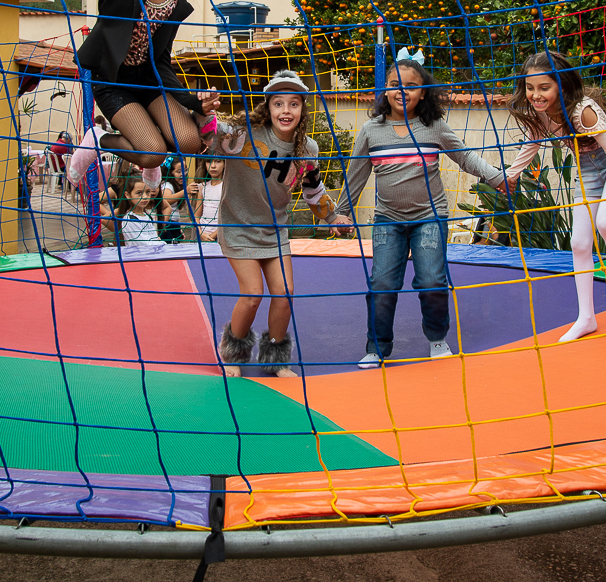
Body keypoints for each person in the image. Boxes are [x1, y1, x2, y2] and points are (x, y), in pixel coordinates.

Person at [331, 54, 507, 369]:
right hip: (388, 220)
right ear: (385, 90)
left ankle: (437, 339)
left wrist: (497, 178)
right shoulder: (372, 130)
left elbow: (465, 157)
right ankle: (377, 347)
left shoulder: (433, 127)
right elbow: (356, 173)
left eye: (411, 86)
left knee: (431, 280)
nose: (402, 92)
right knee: (382, 284)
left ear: (423, 92)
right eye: (395, 85)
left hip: (429, 217)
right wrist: (341, 212)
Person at [59, 0, 220, 190]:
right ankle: (98, 138)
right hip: (112, 81)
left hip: (147, 81)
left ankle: (148, 130)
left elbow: (161, 61)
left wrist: (193, 101)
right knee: (152, 154)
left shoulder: (177, 1)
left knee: (189, 143)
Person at [211, 70, 345, 378]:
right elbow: (209, 131)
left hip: (274, 229)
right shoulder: (243, 133)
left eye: (294, 104)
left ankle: (275, 357)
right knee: (252, 294)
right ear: (268, 107)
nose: (286, 111)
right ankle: (233, 352)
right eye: (278, 103)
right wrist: (203, 109)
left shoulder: (307, 149)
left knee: (284, 293)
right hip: (237, 225)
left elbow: (313, 190)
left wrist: (332, 216)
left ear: (302, 109)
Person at [503, 51, 606, 342]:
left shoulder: (582, 111)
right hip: (586, 166)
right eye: (530, 87)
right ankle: (586, 318)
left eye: (544, 87)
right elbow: (532, 143)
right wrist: (512, 174)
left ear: (561, 86)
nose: (536, 95)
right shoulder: (540, 113)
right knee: (579, 244)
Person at [115, 174, 170, 245]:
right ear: (127, 195)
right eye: (139, 193)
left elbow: (154, 238)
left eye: (148, 192)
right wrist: (162, 243)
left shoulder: (147, 216)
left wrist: (158, 242)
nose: (145, 196)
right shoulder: (129, 220)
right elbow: (144, 244)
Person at [191, 155, 226, 242]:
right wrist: (200, 233)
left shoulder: (226, 188)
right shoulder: (203, 187)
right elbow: (196, 215)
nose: (213, 166)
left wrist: (212, 236)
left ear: (225, 164)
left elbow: (230, 218)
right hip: (202, 235)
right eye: (209, 161)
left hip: (220, 237)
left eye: (218, 161)